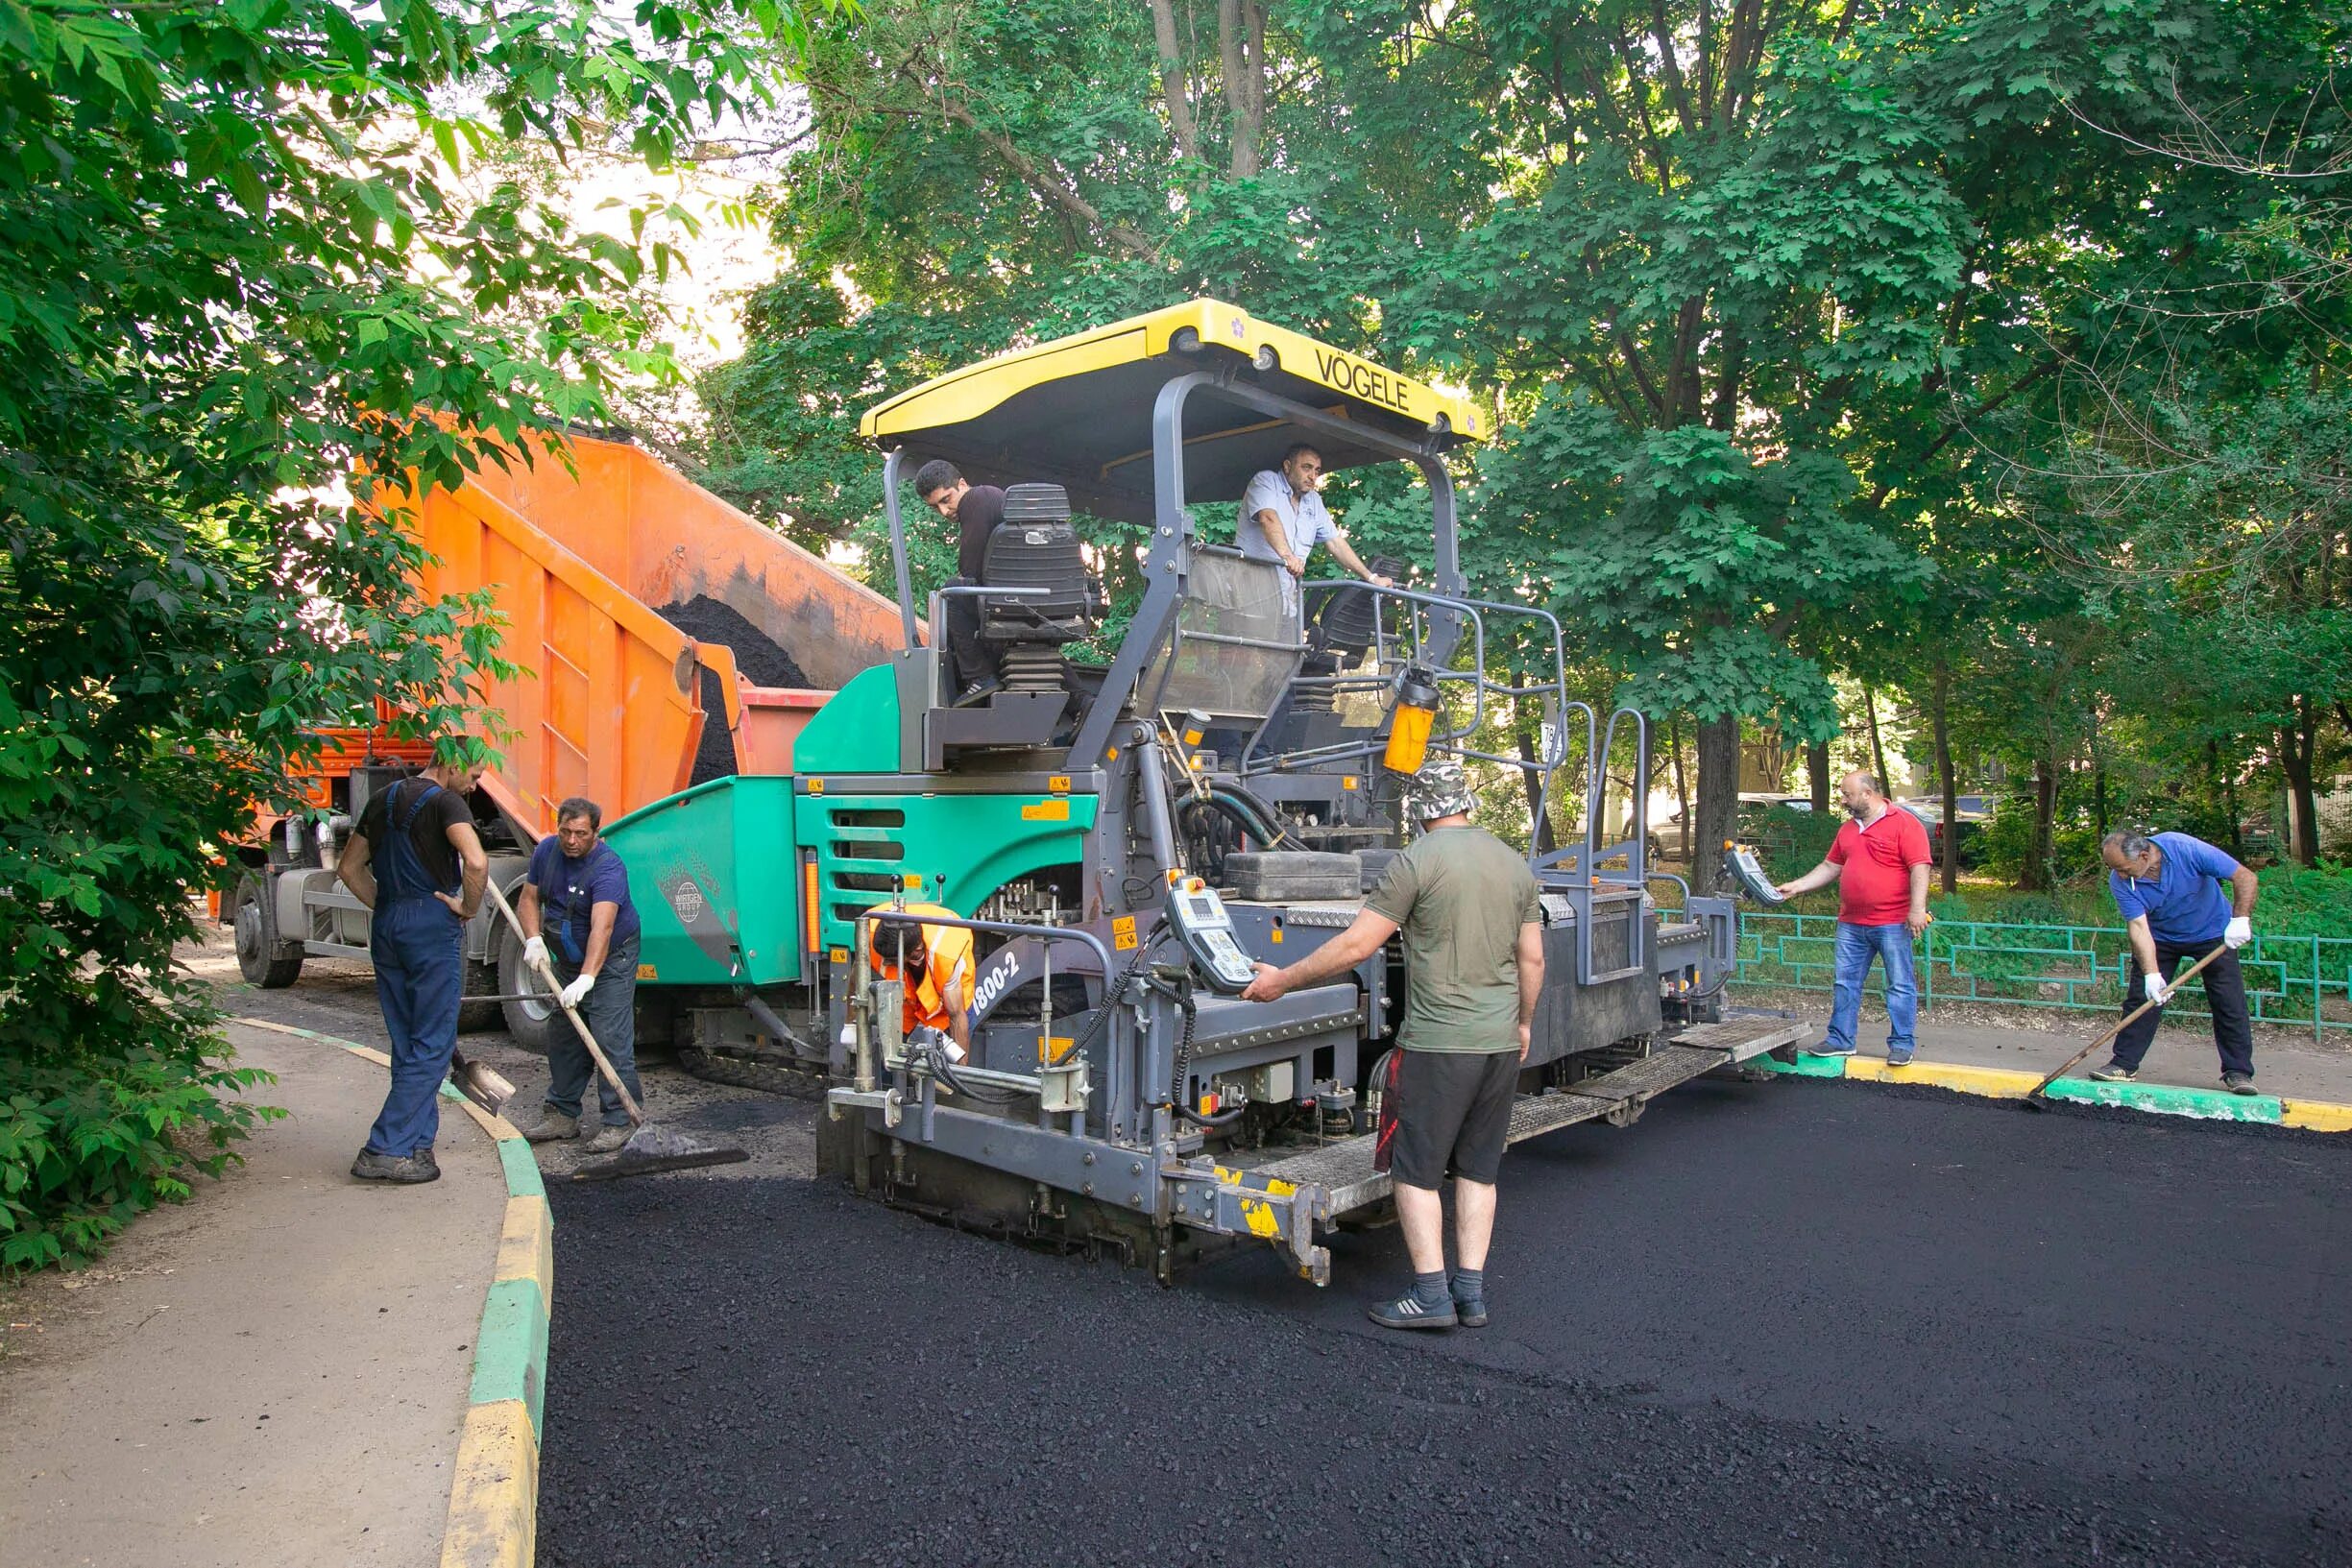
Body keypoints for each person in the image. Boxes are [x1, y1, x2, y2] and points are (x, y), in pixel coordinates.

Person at [1242, 755, 1542, 1332]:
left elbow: (1358, 946)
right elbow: (1532, 960)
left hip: (1438, 1045)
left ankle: (1430, 1295)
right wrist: (1523, 1024)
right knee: (1479, 1171)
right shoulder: (1513, 864)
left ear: (1421, 809)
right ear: (1465, 802)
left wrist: (1283, 979)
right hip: (1500, 1043)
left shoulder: (1417, 861)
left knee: (1415, 1173)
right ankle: (1469, 1293)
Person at [336, 748, 489, 1183]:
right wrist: (468, 907)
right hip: (431, 923)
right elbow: (476, 861)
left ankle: (418, 1142)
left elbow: (349, 868)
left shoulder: (380, 799)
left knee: (407, 1041)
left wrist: (389, 907)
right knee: (434, 1043)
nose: (474, 787)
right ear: (453, 764)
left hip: (388, 924)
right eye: (474, 775)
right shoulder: (446, 802)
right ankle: (385, 1148)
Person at [508, 798, 646, 1152]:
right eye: (566, 831)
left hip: (611, 958)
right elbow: (529, 898)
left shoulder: (608, 868)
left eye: (581, 834)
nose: (572, 840)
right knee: (564, 1034)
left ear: (596, 833)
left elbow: (603, 928)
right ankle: (561, 1114)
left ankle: (621, 1120)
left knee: (609, 1034)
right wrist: (533, 939)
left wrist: (586, 979)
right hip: (567, 958)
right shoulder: (546, 852)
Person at [1775, 770, 1931, 1066]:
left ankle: (1902, 1045)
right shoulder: (1848, 829)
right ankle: (1840, 1040)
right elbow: (1830, 866)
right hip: (1851, 923)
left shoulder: (1904, 823)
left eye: (1848, 795)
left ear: (1868, 794)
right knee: (1845, 983)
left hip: (1892, 921)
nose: (1843, 800)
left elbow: (1920, 867)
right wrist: (1796, 886)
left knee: (1900, 984)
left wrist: (1917, 909)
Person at [2095, 830, 2261, 1094]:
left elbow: (2245, 876)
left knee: (2229, 1002)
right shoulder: (2120, 881)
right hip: (2160, 938)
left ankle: (2238, 1071)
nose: (2120, 875)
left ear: (2144, 856)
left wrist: (2240, 920)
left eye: (2124, 869)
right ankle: (2124, 1064)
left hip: (2213, 934)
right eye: (2114, 869)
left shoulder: (2184, 849)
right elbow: (2138, 927)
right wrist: (2151, 974)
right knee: (2142, 999)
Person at [1237, 443, 1393, 618]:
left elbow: (1335, 542)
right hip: (1250, 597)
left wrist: (1371, 578)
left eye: (1317, 471)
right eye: (1306, 468)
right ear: (1287, 466)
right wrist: (1288, 557)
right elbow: (1268, 518)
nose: (1312, 476)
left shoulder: (1314, 500)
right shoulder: (1266, 481)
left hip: (1287, 603)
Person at [914, 459, 1008, 706]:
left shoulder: (975, 499)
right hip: (1023, 597)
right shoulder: (992, 498)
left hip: (1009, 601)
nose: (944, 512)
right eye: (935, 507)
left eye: (946, 499)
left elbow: (969, 573)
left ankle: (980, 677)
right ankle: (1081, 701)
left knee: (952, 593)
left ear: (963, 484)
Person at [867, 902, 976, 1061]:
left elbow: (957, 1015)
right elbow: (858, 972)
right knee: (889, 1057)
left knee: (945, 1062)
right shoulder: (870, 929)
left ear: (915, 952)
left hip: (946, 1006)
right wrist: (849, 1027)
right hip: (908, 998)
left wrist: (959, 1072)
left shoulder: (946, 956)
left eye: (891, 961)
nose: (885, 963)